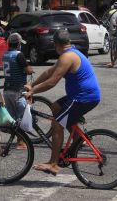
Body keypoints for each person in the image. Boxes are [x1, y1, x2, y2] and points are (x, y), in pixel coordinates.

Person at [24, 29, 101, 175]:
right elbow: (49, 72)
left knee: (57, 124)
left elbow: (52, 82)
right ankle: (78, 140)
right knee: (56, 107)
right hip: (81, 95)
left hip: (83, 97)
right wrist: (31, 85)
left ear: (56, 44)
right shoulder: (70, 54)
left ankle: (53, 164)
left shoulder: (67, 57)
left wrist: (33, 92)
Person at [2, 33, 34, 149]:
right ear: (19, 44)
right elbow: (27, 69)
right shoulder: (19, 55)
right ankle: (20, 142)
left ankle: (14, 139)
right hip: (18, 90)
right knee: (21, 116)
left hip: (7, 90)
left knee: (13, 117)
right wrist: (31, 70)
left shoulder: (5, 54)